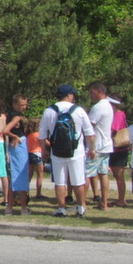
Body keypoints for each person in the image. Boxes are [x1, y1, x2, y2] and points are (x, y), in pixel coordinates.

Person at [39, 84, 95, 218]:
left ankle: (61, 208)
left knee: (60, 182)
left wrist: (44, 150)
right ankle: (81, 208)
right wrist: (92, 149)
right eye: (72, 94)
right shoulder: (79, 110)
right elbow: (89, 133)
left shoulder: (49, 111)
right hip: (76, 151)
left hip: (57, 151)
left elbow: (42, 134)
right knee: (78, 181)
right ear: (69, 95)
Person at [86, 82, 114, 210]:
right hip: (106, 145)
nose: (90, 95)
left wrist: (90, 147)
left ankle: (82, 203)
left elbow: (89, 126)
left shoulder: (98, 107)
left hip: (96, 146)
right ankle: (104, 202)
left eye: (92, 92)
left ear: (99, 91)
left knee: (86, 173)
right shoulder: (108, 105)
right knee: (103, 173)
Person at [4, 94, 30, 214]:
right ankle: (23, 208)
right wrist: (15, 136)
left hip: (16, 146)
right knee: (21, 176)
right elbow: (5, 130)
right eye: (21, 105)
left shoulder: (10, 115)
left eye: (25, 104)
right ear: (15, 104)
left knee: (14, 177)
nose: (24, 107)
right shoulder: (16, 117)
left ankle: (10, 207)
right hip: (19, 145)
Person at [108, 95, 130, 207]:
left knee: (119, 175)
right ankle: (120, 198)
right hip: (115, 148)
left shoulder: (118, 114)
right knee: (117, 175)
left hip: (119, 149)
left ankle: (121, 199)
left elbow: (113, 129)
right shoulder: (116, 114)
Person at [26, 118, 44, 200]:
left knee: (30, 174)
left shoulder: (28, 135)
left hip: (30, 154)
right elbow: (46, 143)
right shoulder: (38, 135)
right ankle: (38, 193)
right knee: (40, 174)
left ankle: (25, 191)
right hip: (37, 154)